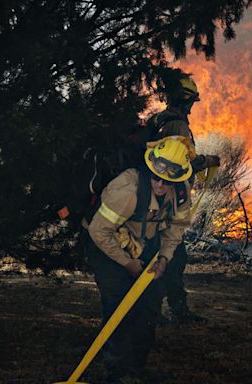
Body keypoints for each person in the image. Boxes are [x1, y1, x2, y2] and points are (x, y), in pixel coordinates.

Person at [87, 136, 192, 383]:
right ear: (150, 168)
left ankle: (137, 370)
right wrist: (126, 263)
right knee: (118, 306)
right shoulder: (127, 191)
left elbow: (176, 227)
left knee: (149, 306)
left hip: (145, 245)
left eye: (168, 180)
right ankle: (117, 373)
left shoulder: (180, 192)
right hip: (108, 244)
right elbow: (98, 232)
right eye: (157, 177)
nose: (160, 184)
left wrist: (164, 258)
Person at [148, 73, 220, 324]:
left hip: (157, 200)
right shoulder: (176, 125)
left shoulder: (160, 120)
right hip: (166, 202)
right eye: (190, 101)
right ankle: (169, 312)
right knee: (173, 258)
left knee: (162, 255)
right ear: (183, 100)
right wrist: (208, 162)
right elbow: (178, 161)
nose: (191, 106)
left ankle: (159, 311)